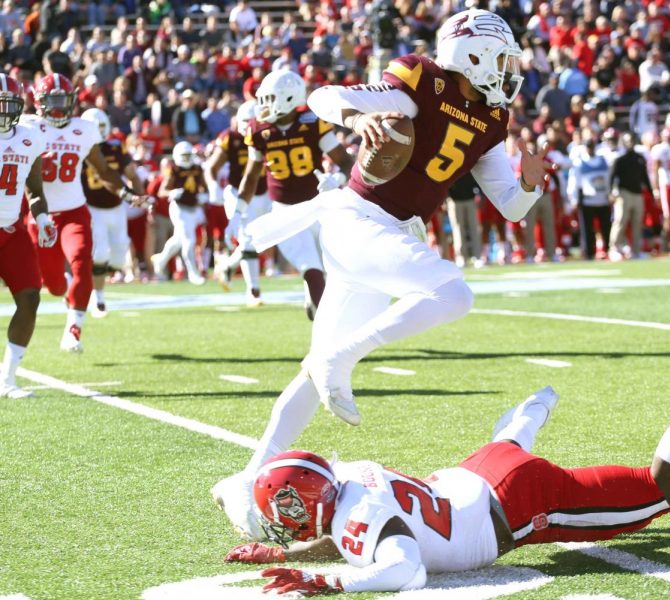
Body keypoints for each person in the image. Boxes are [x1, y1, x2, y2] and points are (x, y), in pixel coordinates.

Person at [213, 9, 547, 541]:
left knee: (310, 371)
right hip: (357, 219)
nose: (509, 71)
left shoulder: (492, 118)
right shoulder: (421, 80)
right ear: (473, 53)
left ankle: (248, 482)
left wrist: (530, 184)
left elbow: (509, 205)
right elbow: (322, 97)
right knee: (452, 293)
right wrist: (355, 118)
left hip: (391, 236)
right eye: (502, 59)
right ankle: (340, 360)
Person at [224, 328, 670, 595]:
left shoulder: (357, 522)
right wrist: (285, 552)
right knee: (512, 445)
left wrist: (325, 582)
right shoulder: (348, 478)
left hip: (520, 505)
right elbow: (361, 532)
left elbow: (402, 569)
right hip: (480, 469)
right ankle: (535, 405)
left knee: (662, 493)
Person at [26, 73, 142, 353]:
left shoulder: (84, 129)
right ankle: (68, 294)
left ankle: (74, 328)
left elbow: (102, 171)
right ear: (40, 102)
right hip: (40, 212)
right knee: (53, 285)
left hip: (74, 210)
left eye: (62, 100)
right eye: (52, 100)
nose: (57, 106)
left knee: (81, 261)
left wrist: (127, 193)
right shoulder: (27, 127)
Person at [227, 70, 351, 318]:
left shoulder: (311, 123)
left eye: (269, 99)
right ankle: (326, 328)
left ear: (289, 98)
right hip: (286, 212)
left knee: (333, 270)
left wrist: (336, 179)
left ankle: (318, 307)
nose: (263, 106)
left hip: (320, 207)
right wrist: (238, 211)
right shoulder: (260, 130)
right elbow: (251, 175)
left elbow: (346, 163)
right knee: (312, 270)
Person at [0, 74, 57, 397]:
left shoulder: (30, 137)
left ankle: (7, 379)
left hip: (12, 229)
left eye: (9, 106)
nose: (4, 113)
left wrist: (44, 217)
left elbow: (34, 189)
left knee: (31, 297)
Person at [81, 108, 144, 318]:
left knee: (118, 257)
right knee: (99, 253)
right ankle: (98, 297)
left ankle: (93, 278)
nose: (98, 130)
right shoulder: (80, 148)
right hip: (92, 208)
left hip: (116, 206)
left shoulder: (116, 147)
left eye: (100, 126)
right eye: (93, 127)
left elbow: (131, 173)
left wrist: (140, 194)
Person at [206, 101, 270, 306]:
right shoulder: (230, 138)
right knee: (247, 239)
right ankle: (254, 290)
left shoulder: (268, 134)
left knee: (262, 239)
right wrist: (212, 187)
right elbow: (211, 167)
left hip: (263, 191)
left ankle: (227, 265)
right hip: (237, 193)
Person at [151, 142, 208, 285]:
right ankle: (193, 273)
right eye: (184, 155)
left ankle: (161, 259)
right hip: (179, 208)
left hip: (193, 208)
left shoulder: (197, 168)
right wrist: (172, 192)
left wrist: (204, 195)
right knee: (189, 240)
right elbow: (161, 192)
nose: (187, 158)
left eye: (189, 155)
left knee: (179, 239)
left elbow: (204, 187)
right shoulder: (174, 170)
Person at [568, 128, 612, 260]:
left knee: (606, 227)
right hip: (587, 200)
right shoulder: (579, 162)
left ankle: (608, 250)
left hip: (603, 199)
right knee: (587, 229)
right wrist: (574, 199)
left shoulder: (603, 160)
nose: (590, 149)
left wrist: (610, 194)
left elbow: (609, 178)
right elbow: (574, 182)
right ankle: (589, 253)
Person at [608, 131, 652, 260]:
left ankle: (636, 251)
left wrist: (650, 192)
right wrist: (611, 192)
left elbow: (645, 177)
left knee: (637, 223)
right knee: (620, 221)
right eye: (627, 140)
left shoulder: (639, 158)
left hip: (638, 194)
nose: (630, 143)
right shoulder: (619, 159)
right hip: (624, 194)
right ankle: (614, 248)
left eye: (632, 140)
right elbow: (611, 177)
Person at [445, 171, 482, 268]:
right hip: (454, 200)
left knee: (474, 228)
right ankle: (461, 257)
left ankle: (477, 257)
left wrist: (477, 192)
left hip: (470, 198)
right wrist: (448, 196)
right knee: (457, 229)